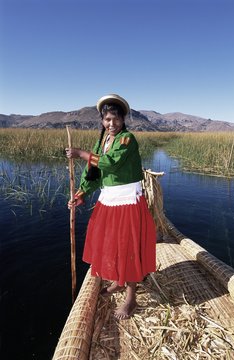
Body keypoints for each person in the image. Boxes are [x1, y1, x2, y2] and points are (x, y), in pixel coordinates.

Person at [66, 94, 156, 320]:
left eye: (116, 119)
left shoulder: (127, 140)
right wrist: (81, 194)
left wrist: (81, 153)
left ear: (123, 119)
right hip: (108, 201)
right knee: (110, 245)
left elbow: (111, 164)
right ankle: (118, 282)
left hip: (127, 202)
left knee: (129, 248)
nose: (111, 124)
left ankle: (130, 298)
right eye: (107, 119)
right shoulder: (101, 141)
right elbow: (94, 173)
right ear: (102, 120)